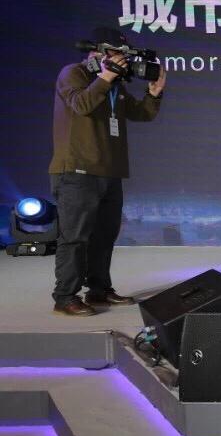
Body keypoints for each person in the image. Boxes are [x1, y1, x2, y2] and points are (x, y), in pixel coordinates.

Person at [48, 26, 166, 316]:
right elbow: (81, 104)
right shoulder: (73, 73)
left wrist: (154, 93)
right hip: (77, 171)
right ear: (97, 51)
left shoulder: (115, 85)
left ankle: (99, 290)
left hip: (110, 172)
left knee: (104, 236)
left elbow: (142, 113)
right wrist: (105, 77)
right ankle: (65, 297)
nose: (121, 60)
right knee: (75, 237)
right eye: (116, 53)